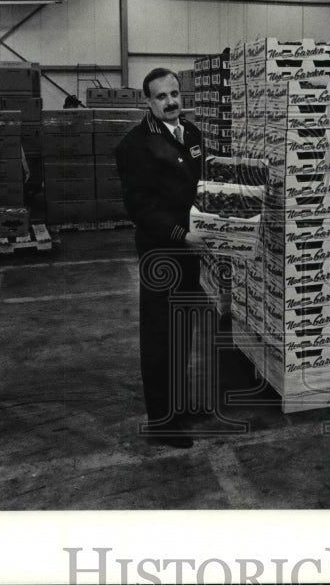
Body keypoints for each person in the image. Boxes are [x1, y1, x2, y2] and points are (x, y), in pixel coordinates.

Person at [115, 68, 206, 449]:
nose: (171, 102)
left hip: (190, 250)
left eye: (174, 93)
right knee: (159, 336)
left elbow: (201, 184)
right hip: (161, 253)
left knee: (182, 330)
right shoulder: (134, 146)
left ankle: (178, 404)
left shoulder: (193, 134)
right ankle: (161, 422)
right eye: (161, 97)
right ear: (147, 102)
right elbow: (141, 209)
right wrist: (181, 235)